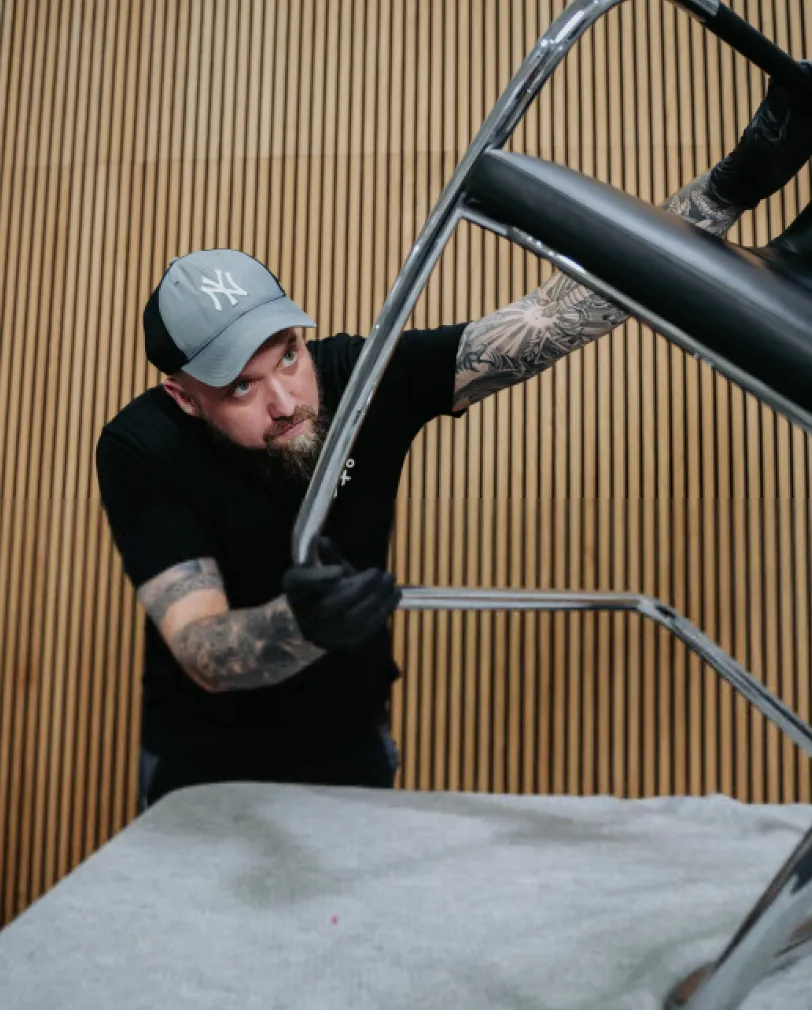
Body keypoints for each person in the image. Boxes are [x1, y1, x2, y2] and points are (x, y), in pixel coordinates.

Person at [96, 68, 811, 810]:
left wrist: (732, 184)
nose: (285, 402)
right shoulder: (141, 446)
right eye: (240, 387)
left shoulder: (357, 376)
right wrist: (300, 624)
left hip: (353, 741)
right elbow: (202, 646)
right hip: (205, 768)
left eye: (288, 355)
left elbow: (552, 318)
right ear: (183, 397)